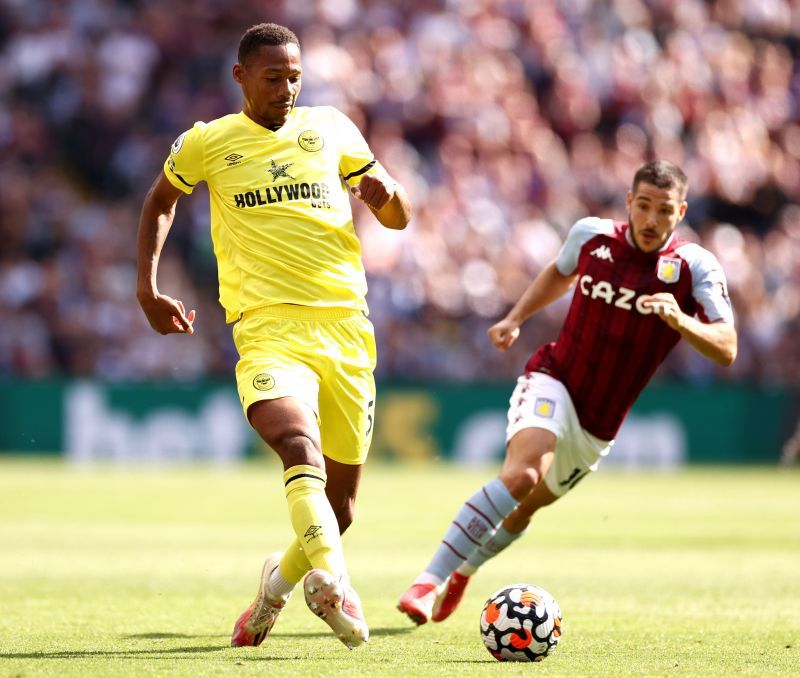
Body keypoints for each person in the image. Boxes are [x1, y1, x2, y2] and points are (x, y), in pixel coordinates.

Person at [136, 23, 411, 649]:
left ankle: (276, 588)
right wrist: (147, 288)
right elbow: (160, 203)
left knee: (338, 512)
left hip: (346, 328)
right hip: (266, 327)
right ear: (240, 77)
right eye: (273, 77)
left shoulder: (333, 128)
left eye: (294, 77)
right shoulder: (208, 143)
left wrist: (384, 197)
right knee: (296, 444)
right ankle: (335, 583)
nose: (287, 88)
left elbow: (398, 216)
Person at [397, 160, 736, 624]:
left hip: (600, 422)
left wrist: (681, 320)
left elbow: (727, 347)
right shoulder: (592, 237)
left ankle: (464, 571)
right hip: (554, 377)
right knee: (521, 477)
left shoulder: (693, 267)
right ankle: (428, 581)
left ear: (681, 212)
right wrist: (516, 317)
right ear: (628, 204)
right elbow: (560, 271)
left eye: (664, 210)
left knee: (522, 512)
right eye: (643, 206)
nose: (652, 220)